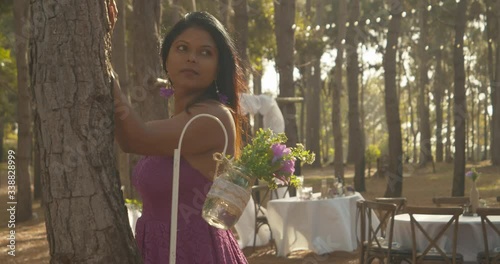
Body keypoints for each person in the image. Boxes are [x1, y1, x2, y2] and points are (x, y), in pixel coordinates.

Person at [110, 7, 249, 264]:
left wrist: (105, 68)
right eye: (182, 48)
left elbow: (134, 138)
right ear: (166, 58)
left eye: (205, 53)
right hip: (159, 251)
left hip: (198, 254)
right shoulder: (179, 122)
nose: (191, 58)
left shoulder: (213, 118)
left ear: (219, 67)